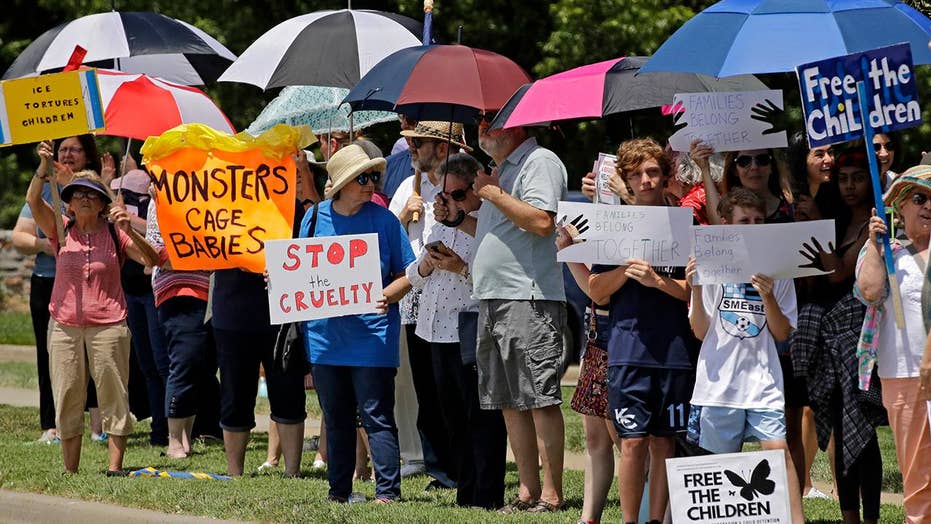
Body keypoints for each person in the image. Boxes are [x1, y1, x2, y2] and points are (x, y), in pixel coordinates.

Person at [439, 114, 568, 513]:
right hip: (494, 298)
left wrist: (493, 194)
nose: (480, 130)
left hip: (527, 296)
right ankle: (527, 491)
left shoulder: (539, 162)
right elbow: (499, 231)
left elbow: (542, 222)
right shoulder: (501, 172)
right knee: (509, 400)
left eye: (488, 122)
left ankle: (550, 494)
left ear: (515, 127)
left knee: (539, 398)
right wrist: (459, 218)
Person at [25, 161, 159, 474]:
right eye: (78, 193)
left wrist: (130, 231)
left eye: (93, 194)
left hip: (110, 325)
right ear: (69, 202)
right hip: (64, 326)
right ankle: (70, 469)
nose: (85, 198)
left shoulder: (115, 233)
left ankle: (115, 467)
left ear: (102, 203)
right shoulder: (61, 229)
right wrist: (43, 167)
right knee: (69, 394)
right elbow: (33, 201)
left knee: (114, 394)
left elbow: (153, 260)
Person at [587, 138, 696, 524]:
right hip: (627, 348)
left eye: (652, 172)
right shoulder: (613, 225)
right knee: (632, 443)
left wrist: (655, 281)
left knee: (665, 441)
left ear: (666, 176)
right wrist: (623, 272)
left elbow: (692, 291)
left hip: (674, 350)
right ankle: (630, 520)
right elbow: (595, 290)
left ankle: (657, 519)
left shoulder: (684, 222)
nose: (646, 180)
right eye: (636, 175)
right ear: (626, 181)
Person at [300, 144, 414, 503]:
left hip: (372, 337)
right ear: (342, 183)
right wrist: (280, 280)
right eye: (362, 178)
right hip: (325, 337)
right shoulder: (315, 217)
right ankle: (339, 492)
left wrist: (387, 295)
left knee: (376, 414)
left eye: (374, 177)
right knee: (335, 418)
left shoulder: (384, 220)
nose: (371, 184)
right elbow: (301, 269)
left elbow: (408, 273)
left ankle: (387, 493)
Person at [687, 188, 804, 523]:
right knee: (720, 469)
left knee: (778, 456)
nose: (752, 226)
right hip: (718, 385)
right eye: (744, 221)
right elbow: (699, 330)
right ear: (726, 224)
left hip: (763, 382)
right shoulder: (710, 265)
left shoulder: (777, 269)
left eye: (758, 220)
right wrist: (695, 288)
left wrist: (768, 298)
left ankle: (796, 519)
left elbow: (782, 333)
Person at [408, 152, 508, 508]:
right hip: (433, 330)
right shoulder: (439, 223)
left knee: (481, 416)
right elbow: (414, 276)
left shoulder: (490, 224)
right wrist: (427, 264)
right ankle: (466, 492)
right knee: (452, 418)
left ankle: (487, 494)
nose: (448, 202)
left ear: (476, 190)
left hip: (469, 328)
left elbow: (493, 280)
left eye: (457, 195)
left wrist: (460, 267)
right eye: (443, 195)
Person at [795, 151, 883, 524]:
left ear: (871, 180)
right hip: (825, 338)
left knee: (862, 428)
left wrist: (815, 222)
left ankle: (872, 518)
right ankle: (849, 518)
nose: (849, 186)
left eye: (858, 178)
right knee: (837, 428)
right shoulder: (837, 216)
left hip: (858, 337)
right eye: (843, 178)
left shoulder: (874, 225)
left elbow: (838, 273)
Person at [390, 121, 468, 488]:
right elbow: (386, 235)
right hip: (415, 298)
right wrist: (405, 213)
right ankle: (438, 466)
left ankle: (459, 464)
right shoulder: (409, 187)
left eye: (417, 142)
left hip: (457, 298)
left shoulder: (460, 184)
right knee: (426, 390)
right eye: (408, 141)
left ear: (441, 147)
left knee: (453, 390)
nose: (410, 149)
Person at [12, 135, 105, 443]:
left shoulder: (97, 188)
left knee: (92, 354)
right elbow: (19, 237)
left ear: (87, 155)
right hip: (48, 281)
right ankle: (52, 423)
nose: (66, 154)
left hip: (89, 284)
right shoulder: (45, 191)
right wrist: (46, 243)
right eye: (62, 149)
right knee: (50, 355)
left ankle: (96, 425)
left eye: (74, 149)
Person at [855, 164, 931, 523]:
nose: (928, 206)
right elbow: (869, 293)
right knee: (917, 474)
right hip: (902, 375)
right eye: (920, 198)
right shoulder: (888, 253)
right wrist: (873, 244)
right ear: (900, 206)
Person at [145, 194, 220, 458]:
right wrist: (205, 259)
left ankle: (185, 438)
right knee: (184, 364)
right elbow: (157, 253)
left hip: (212, 292)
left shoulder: (216, 194)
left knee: (198, 368)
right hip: (179, 290)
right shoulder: (161, 198)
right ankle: (174, 441)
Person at [111, 167, 170, 447]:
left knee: (162, 363)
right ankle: (158, 427)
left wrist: (130, 218)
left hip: (154, 291)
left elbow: (155, 241)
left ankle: (170, 428)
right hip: (130, 291)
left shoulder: (155, 203)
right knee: (146, 364)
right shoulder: (116, 204)